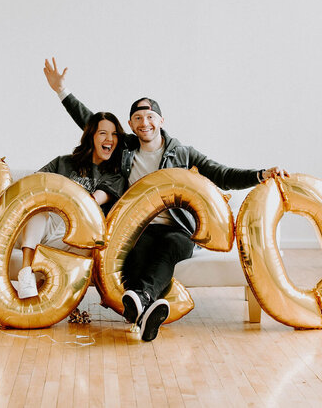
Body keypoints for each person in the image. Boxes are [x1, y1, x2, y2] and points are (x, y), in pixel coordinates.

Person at [43, 57, 287, 341]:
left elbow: (222, 174)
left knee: (171, 245)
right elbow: (92, 123)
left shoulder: (183, 154)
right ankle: (145, 313)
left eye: (149, 116)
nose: (144, 122)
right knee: (135, 253)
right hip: (137, 228)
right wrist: (62, 91)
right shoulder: (125, 150)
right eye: (137, 118)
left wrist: (261, 174)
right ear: (132, 125)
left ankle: (140, 298)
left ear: (160, 120)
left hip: (177, 229)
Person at [15, 111, 126, 299]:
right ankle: (26, 272)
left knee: (90, 245)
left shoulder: (115, 175)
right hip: (42, 226)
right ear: (91, 136)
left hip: (71, 235)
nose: (110, 139)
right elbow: (33, 184)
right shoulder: (64, 162)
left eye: (114, 134)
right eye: (103, 133)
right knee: (38, 212)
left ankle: (46, 288)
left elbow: (93, 200)